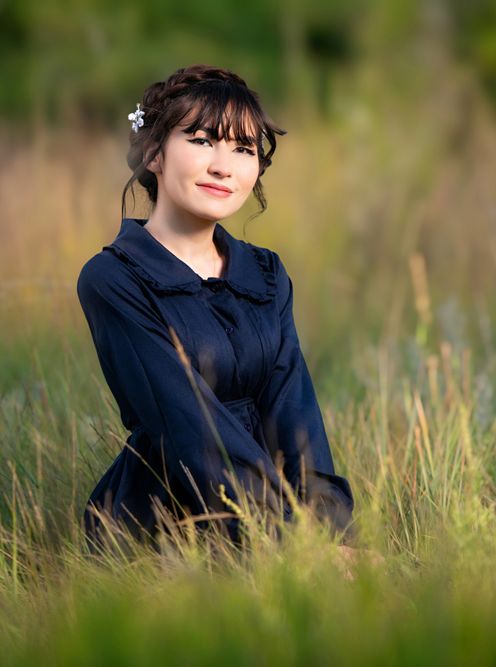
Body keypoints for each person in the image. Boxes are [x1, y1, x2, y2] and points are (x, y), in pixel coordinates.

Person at [77, 64, 356, 558]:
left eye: (243, 149)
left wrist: (329, 532)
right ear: (154, 152)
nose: (224, 166)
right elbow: (189, 428)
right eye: (203, 140)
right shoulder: (114, 279)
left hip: (282, 518)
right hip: (168, 524)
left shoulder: (265, 274)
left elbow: (295, 415)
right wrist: (296, 546)